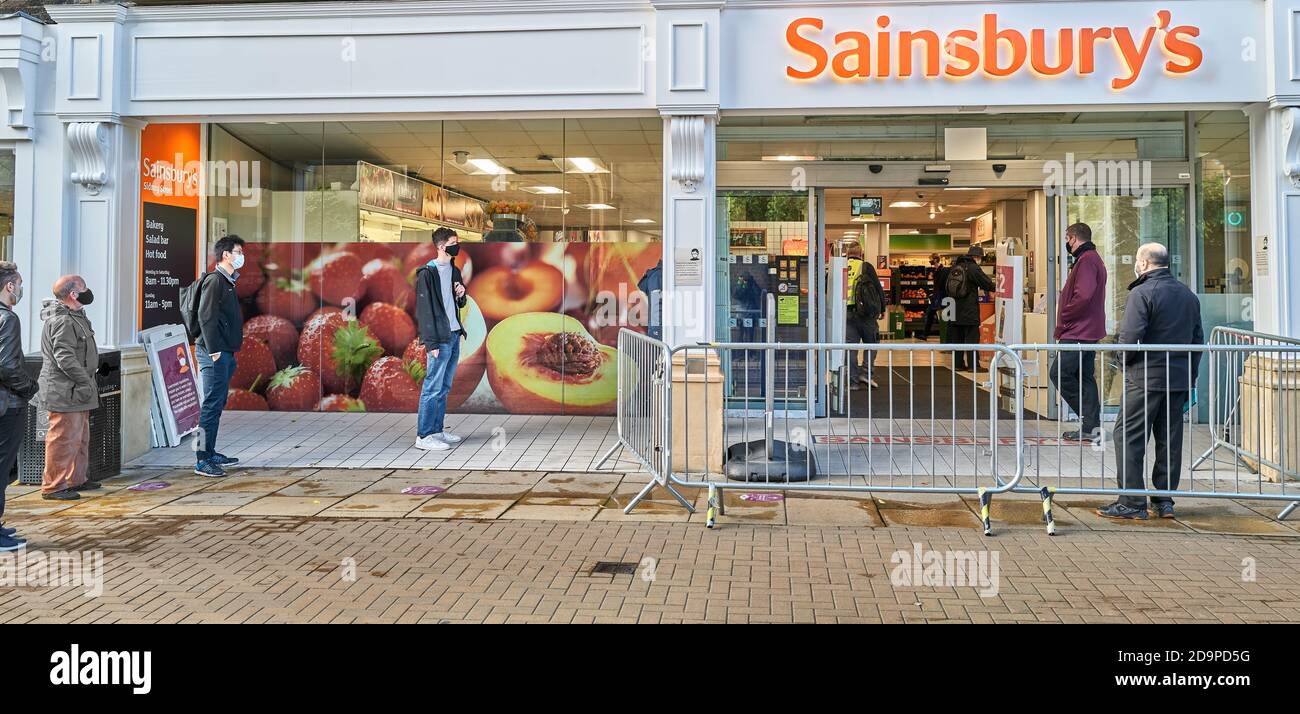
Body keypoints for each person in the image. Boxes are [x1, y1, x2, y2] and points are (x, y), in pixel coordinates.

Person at [1098, 243, 1204, 521]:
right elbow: (1197, 341)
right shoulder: (1188, 296)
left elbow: (1130, 337)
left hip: (1144, 378)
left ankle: (1132, 501)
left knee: (1128, 436)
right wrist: (1190, 377)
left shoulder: (1141, 293)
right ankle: (1164, 500)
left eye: (1136, 260)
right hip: (1177, 379)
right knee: (1169, 439)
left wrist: (1122, 362)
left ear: (1144, 263)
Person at [38, 276, 100, 501]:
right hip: (66, 390)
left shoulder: (76, 315)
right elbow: (64, 356)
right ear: (73, 294)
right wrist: (84, 380)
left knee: (80, 436)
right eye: (83, 288)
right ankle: (54, 486)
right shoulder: (62, 320)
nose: (87, 292)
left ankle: (76, 479)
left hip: (77, 390)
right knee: (63, 438)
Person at [194, 235, 246, 477]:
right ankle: (201, 458)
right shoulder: (215, 281)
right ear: (226, 254)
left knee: (217, 403)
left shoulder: (227, 282)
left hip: (224, 352)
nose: (240, 256)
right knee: (210, 405)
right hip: (214, 353)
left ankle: (211, 452)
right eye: (238, 251)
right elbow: (206, 317)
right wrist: (214, 350)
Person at [1051, 223, 1107, 441]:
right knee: (1084, 377)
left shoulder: (1086, 261)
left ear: (1073, 238)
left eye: (1067, 238)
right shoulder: (1092, 259)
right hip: (1086, 330)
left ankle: (1089, 421)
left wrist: (1065, 315)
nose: (1067, 243)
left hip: (1077, 332)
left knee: (1059, 374)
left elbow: (1083, 295)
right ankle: (1091, 428)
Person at [414, 227, 468, 451]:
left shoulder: (454, 270)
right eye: (454, 242)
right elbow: (424, 310)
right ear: (441, 246)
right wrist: (432, 343)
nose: (457, 246)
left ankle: (437, 430)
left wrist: (461, 294)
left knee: (444, 387)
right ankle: (424, 436)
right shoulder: (427, 273)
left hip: (454, 333)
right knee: (432, 387)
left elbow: (459, 303)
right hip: (439, 338)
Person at [0, 262, 37, 551]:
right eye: (20, 283)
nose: (22, 289)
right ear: (10, 286)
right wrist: (29, 388)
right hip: (7, 405)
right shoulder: (8, 320)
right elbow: (9, 367)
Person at [946, 245, 996, 372]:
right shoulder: (973, 268)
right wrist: (994, 288)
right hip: (969, 309)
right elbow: (986, 282)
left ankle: (958, 364)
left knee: (957, 338)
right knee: (971, 337)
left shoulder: (956, 267)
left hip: (954, 308)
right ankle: (973, 365)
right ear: (977, 257)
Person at [848, 259, 885, 388]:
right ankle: (866, 374)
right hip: (866, 313)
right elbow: (877, 287)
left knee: (850, 348)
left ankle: (853, 382)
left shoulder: (842, 265)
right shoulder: (865, 266)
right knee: (872, 343)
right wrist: (882, 309)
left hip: (847, 313)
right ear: (860, 252)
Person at [922, 253, 947, 340]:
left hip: (939, 297)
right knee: (930, 314)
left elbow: (941, 284)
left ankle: (943, 335)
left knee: (933, 315)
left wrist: (936, 294)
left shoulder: (942, 270)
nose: (930, 261)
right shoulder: (936, 270)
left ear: (935, 260)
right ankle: (925, 334)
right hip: (936, 296)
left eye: (931, 259)